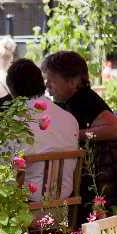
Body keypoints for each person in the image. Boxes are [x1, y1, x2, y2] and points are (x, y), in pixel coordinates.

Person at [6, 58, 79, 201]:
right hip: (65, 205)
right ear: (42, 84)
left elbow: (2, 170)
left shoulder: (15, 123)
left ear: (12, 91)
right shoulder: (69, 119)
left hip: (27, 209)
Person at [41, 51, 117, 141]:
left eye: (52, 80)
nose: (47, 85)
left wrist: (75, 135)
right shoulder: (64, 101)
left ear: (72, 81)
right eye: (46, 80)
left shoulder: (85, 100)